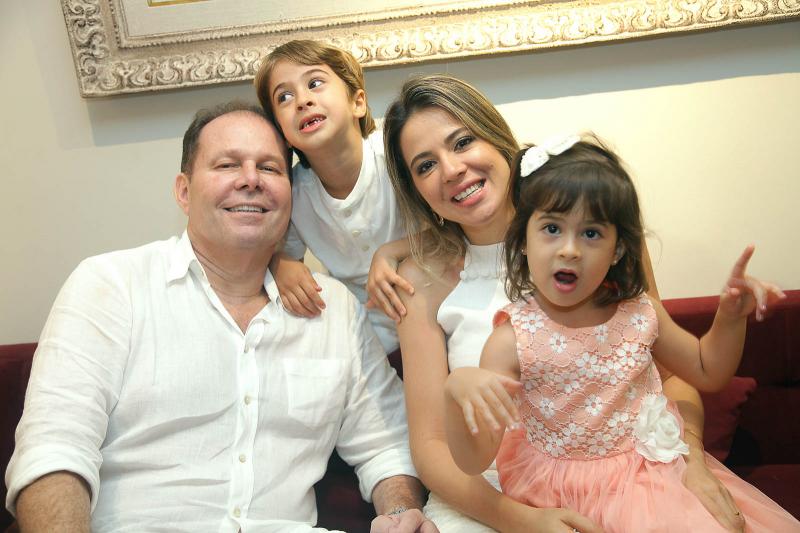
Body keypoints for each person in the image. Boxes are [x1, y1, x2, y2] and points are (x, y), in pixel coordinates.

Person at [4, 102, 436, 533]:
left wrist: (399, 513)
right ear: (184, 191)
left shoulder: (334, 309)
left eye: (269, 168)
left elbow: (387, 445)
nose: (250, 180)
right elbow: (54, 451)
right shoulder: (112, 285)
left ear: (290, 195)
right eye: (227, 165)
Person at [378, 74, 757, 532]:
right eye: (425, 165)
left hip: (636, 480)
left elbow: (675, 376)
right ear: (417, 190)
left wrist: (689, 460)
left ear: (498, 141)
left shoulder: (601, 245)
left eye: (462, 142)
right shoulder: (419, 282)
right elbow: (431, 445)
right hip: (488, 494)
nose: (452, 169)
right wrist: (523, 520)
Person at [443, 135, 799, 532]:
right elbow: (473, 461)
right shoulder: (511, 340)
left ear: (617, 250)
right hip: (562, 494)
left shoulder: (640, 312)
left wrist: (730, 317)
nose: (569, 250)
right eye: (552, 228)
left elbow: (707, 370)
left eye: (591, 233)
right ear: (523, 240)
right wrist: (456, 391)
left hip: (653, 479)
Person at [253, 40, 411, 355]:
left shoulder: (396, 154)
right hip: (365, 334)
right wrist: (281, 264)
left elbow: (454, 232)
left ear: (358, 102)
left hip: (434, 302)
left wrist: (392, 251)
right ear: (282, 132)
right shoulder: (293, 194)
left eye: (315, 83)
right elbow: (277, 251)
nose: (302, 101)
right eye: (284, 97)